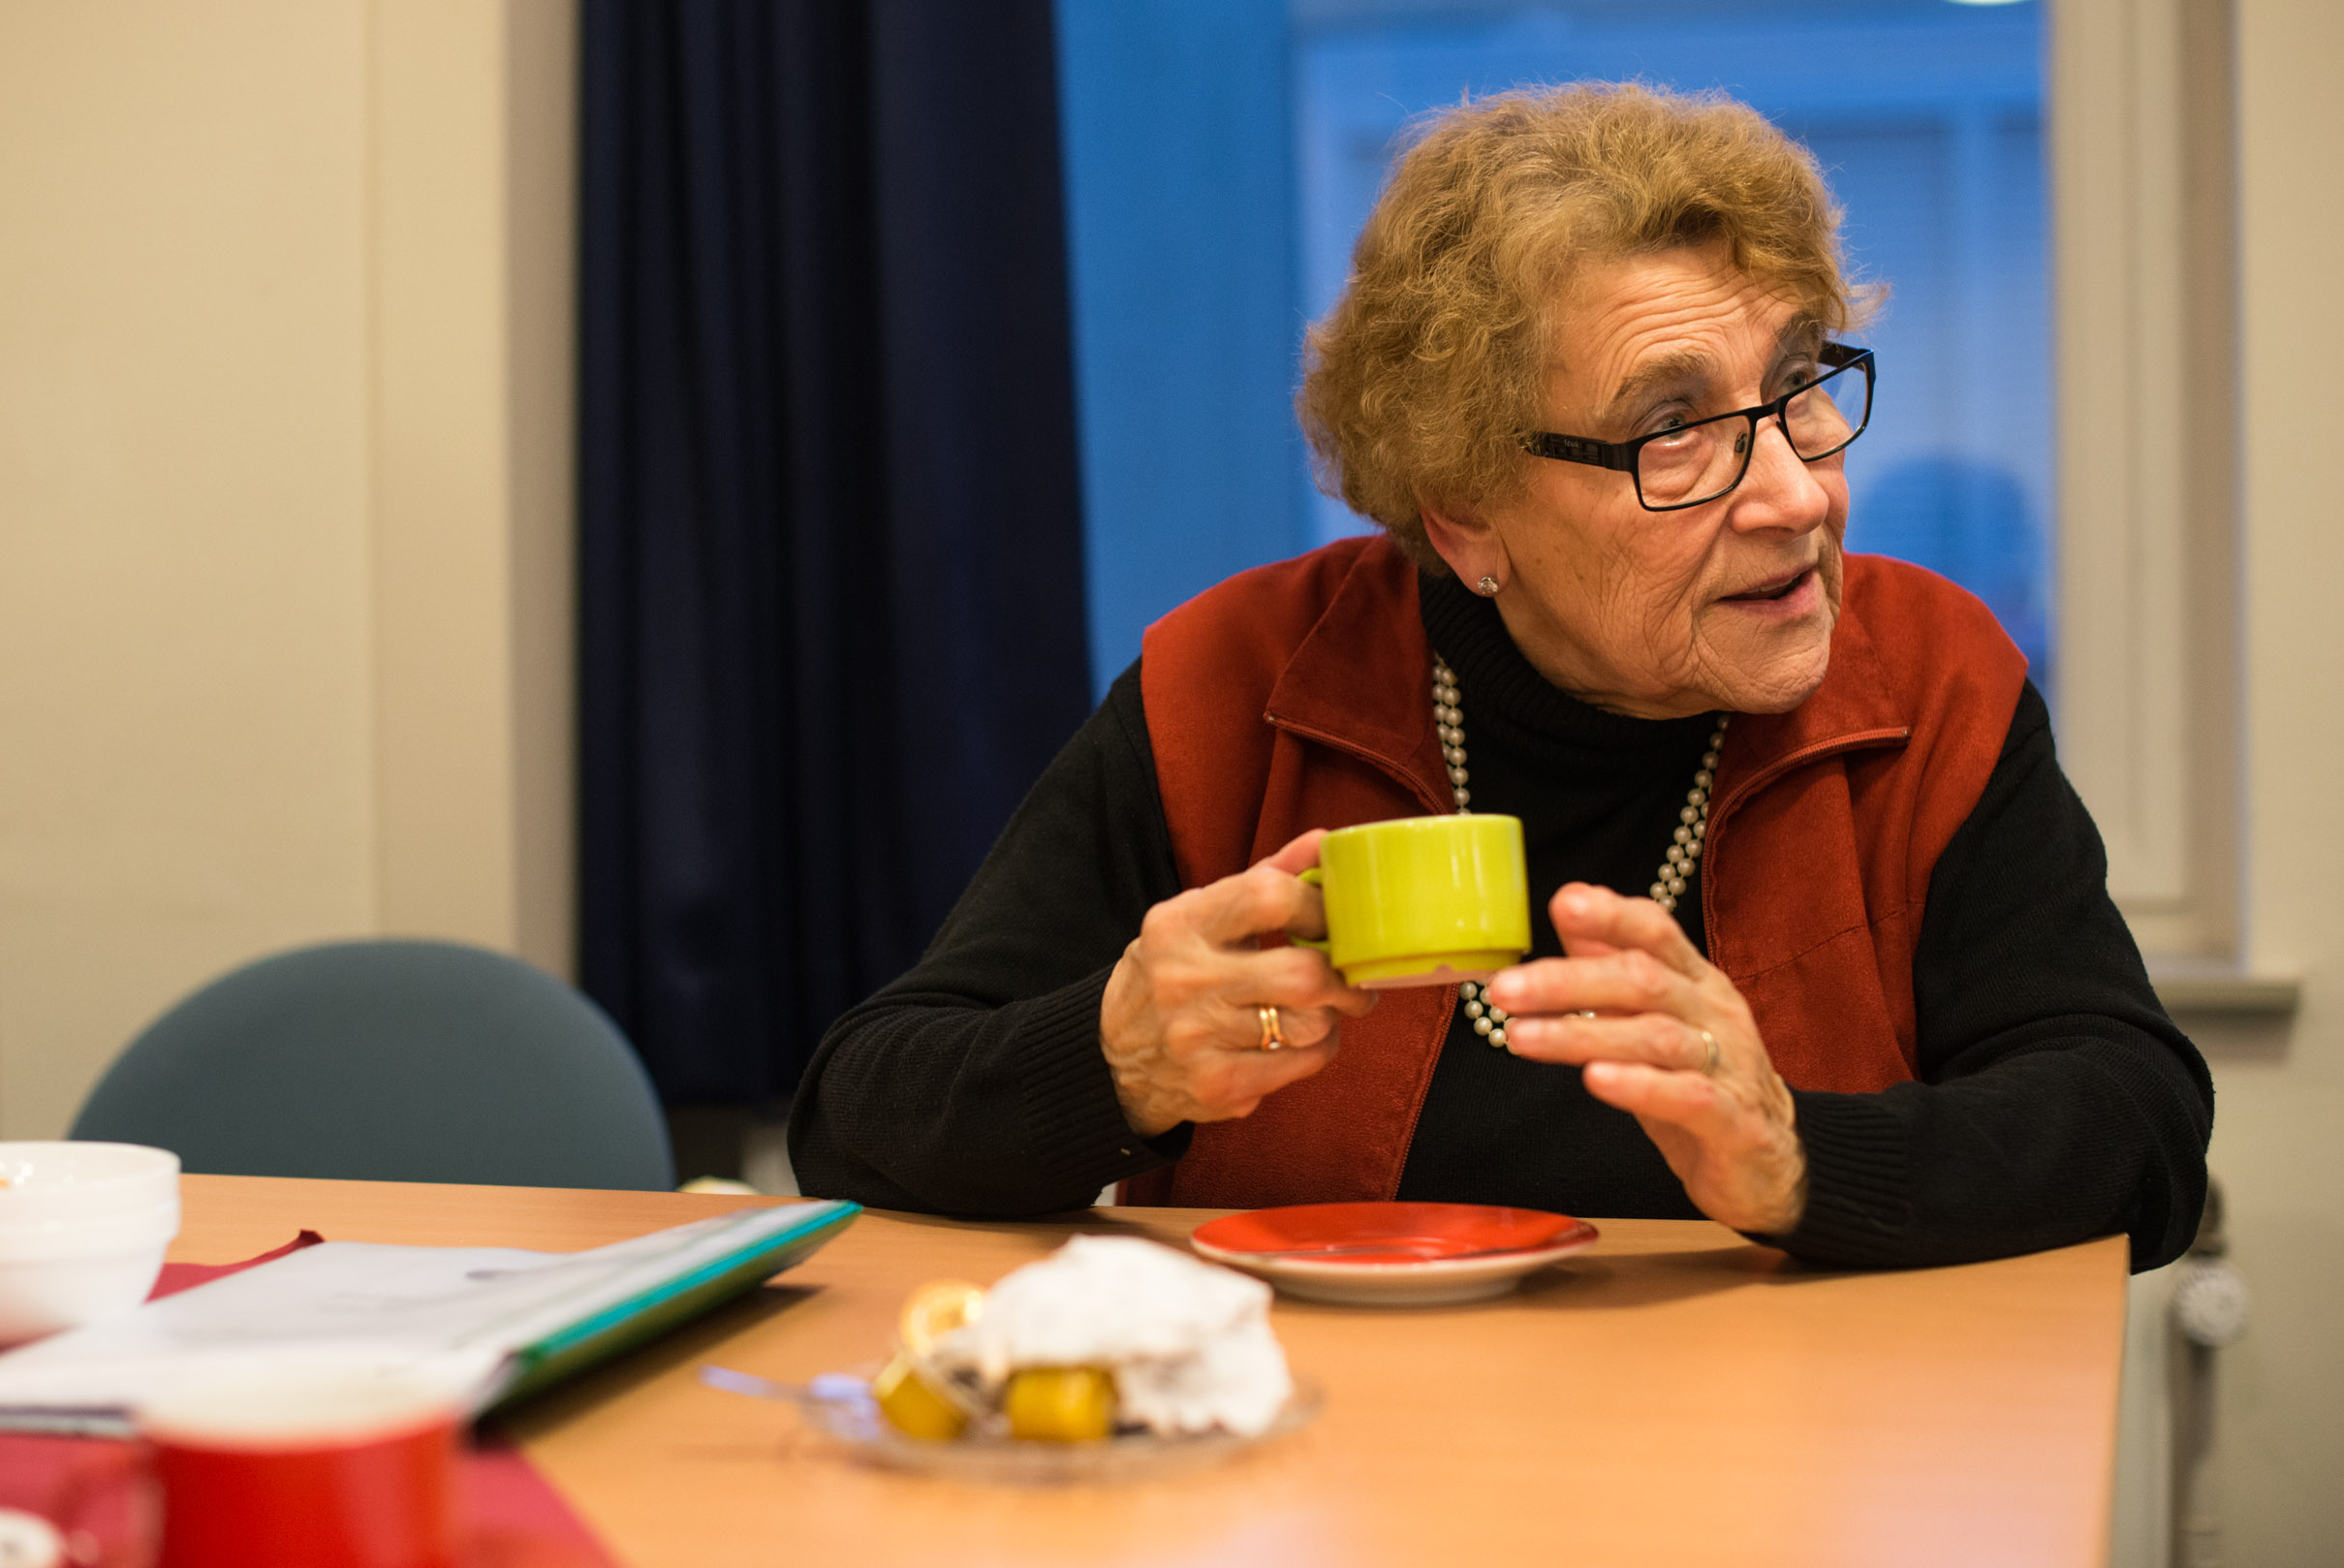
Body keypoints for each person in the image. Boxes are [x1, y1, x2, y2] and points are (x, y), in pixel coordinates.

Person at [788, 82, 2211, 1270]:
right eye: (1676, 431)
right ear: (1466, 514)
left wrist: (1799, 1156)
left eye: (1797, 391)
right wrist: (1115, 1061)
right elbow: (856, 1117)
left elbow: (2139, 1136)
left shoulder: (1929, 678)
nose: (1797, 495)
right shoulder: (1239, 679)